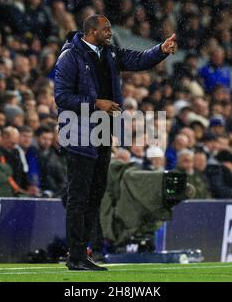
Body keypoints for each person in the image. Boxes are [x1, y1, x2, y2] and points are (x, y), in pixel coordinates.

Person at [54, 14, 176, 271]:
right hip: (78, 135)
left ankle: (84, 252)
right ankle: (75, 255)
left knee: (95, 195)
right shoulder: (70, 57)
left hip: (102, 134)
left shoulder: (108, 53)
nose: (110, 32)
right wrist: (95, 104)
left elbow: (138, 59)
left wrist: (161, 51)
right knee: (79, 197)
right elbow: (62, 97)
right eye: (106, 28)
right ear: (90, 31)